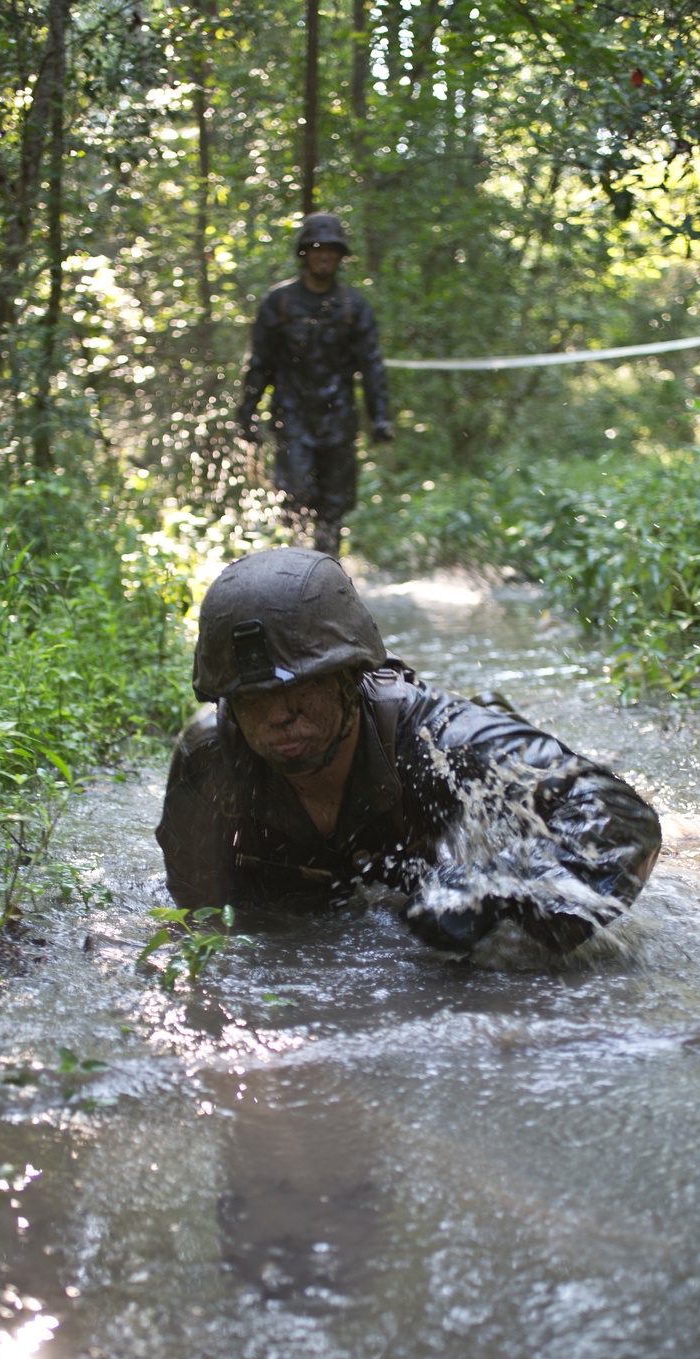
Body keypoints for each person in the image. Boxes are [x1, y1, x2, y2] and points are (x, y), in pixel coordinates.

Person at [156, 548, 662, 956]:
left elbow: (622, 817)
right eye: (251, 699)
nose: (277, 716)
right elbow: (195, 918)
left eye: (301, 688)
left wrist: (502, 888)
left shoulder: (439, 739)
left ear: (349, 677)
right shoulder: (211, 759)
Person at [236, 213, 393, 558]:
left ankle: (327, 568)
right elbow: (260, 363)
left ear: (341, 256)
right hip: (292, 412)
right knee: (294, 493)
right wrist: (246, 412)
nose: (324, 256)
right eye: (317, 249)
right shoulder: (279, 303)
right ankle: (294, 564)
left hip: (338, 415)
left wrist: (380, 416)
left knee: (335, 502)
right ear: (304, 253)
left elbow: (371, 366)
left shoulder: (354, 307)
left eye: (331, 250)